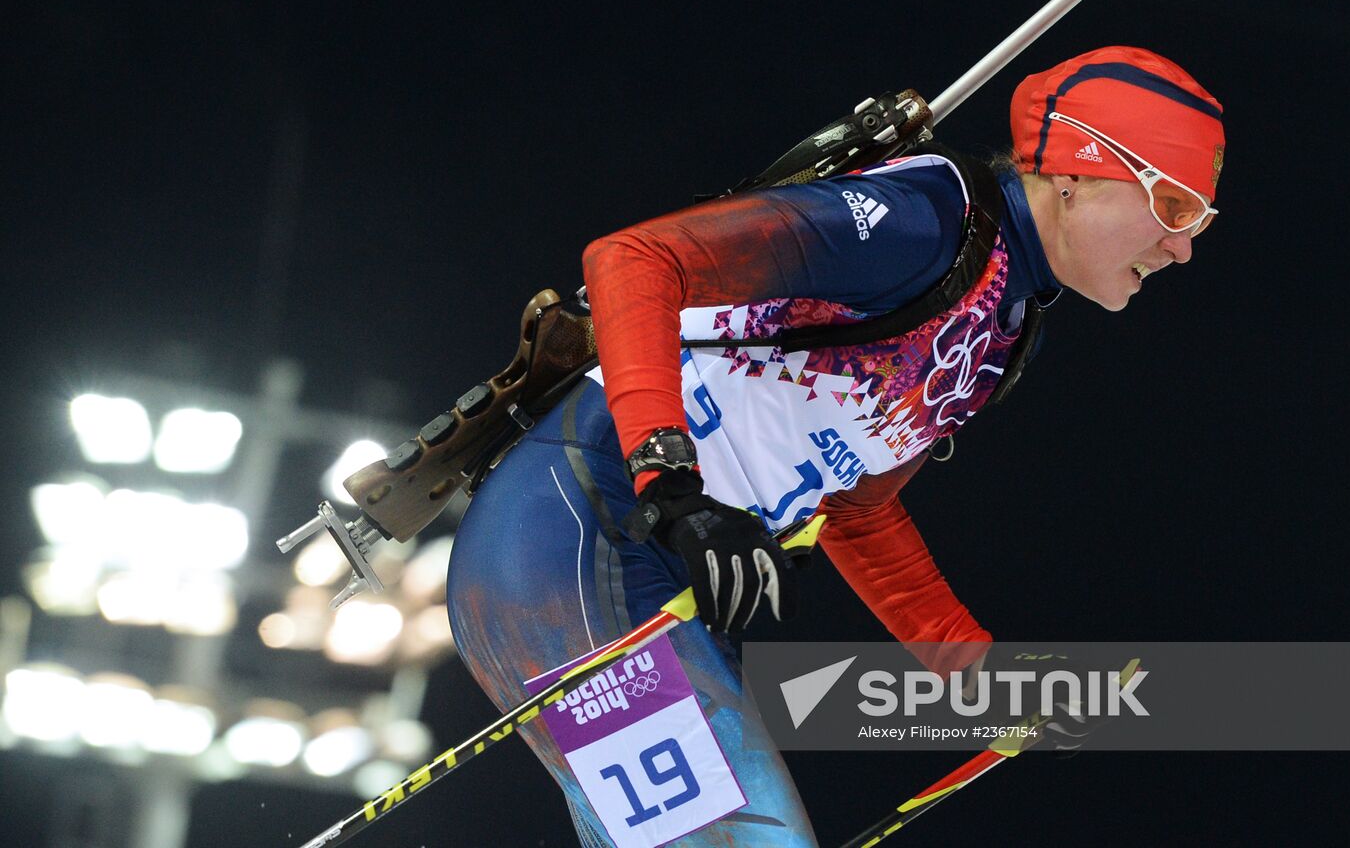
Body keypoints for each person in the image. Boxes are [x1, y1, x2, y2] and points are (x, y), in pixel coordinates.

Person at [445, 45, 1225, 846]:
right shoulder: (925, 223)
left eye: (1201, 219)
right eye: (1171, 205)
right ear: (1075, 172)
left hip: (650, 586)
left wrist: (975, 674)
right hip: (577, 536)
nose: (1184, 246)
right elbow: (635, 259)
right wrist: (669, 479)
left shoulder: (1004, 326)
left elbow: (854, 509)